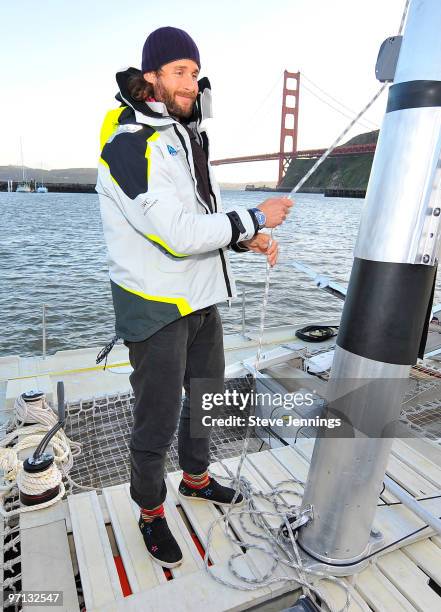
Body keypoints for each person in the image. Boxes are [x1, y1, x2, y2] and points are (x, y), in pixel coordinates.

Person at [96, 26, 293, 568]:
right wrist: (254, 216)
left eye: (194, 71)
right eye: (179, 70)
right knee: (155, 417)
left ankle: (197, 479)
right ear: (151, 78)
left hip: (202, 296)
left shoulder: (189, 135)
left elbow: (203, 220)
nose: (191, 81)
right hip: (156, 305)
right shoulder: (130, 145)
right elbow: (178, 234)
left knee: (206, 399)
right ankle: (151, 512)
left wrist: (245, 239)